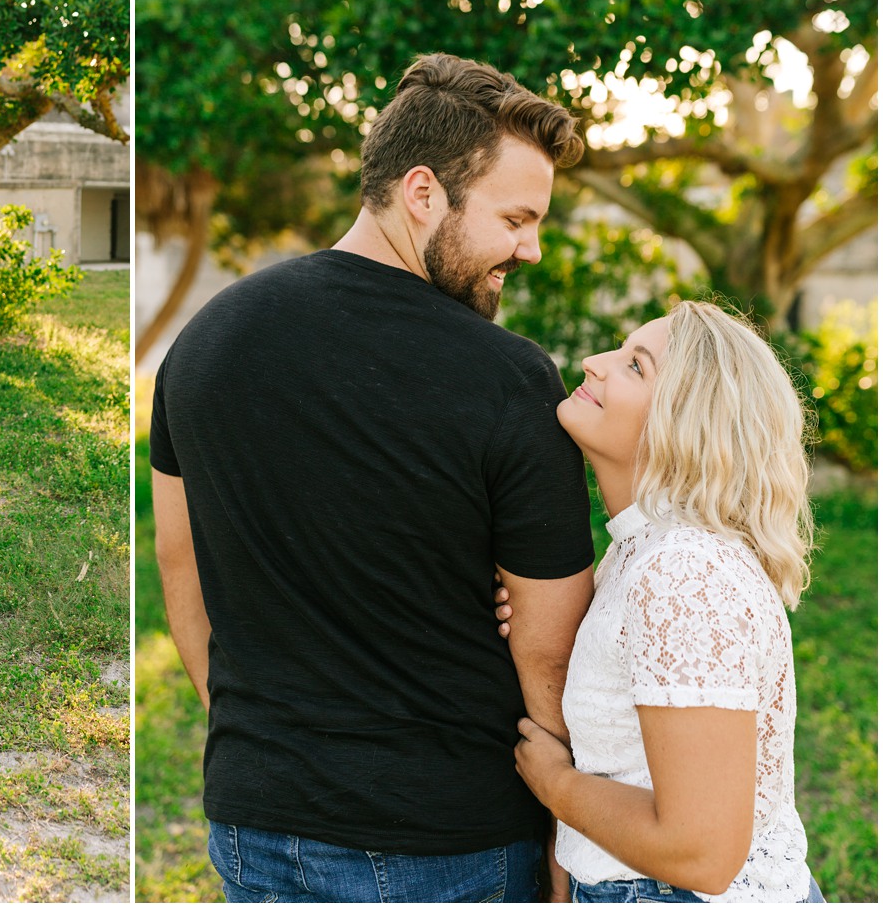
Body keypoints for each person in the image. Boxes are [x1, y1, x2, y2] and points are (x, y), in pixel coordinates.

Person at [150, 53, 596, 902]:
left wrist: (270, 754)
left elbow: (184, 573)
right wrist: (566, 838)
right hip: (449, 841)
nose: (529, 249)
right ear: (422, 193)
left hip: (253, 822)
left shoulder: (204, 343)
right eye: (516, 218)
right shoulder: (510, 378)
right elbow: (550, 654)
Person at [505, 302, 823, 903]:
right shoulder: (645, 552)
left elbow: (700, 853)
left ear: (687, 422)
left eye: (635, 367)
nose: (593, 363)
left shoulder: (684, 572)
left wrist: (555, 784)